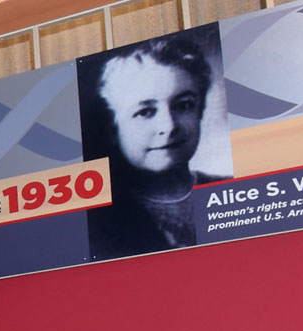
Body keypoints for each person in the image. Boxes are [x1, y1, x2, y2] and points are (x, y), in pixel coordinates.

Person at [82, 31, 229, 260]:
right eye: (145, 112)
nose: (168, 126)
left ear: (200, 110)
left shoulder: (231, 190)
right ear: (113, 127)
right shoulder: (95, 222)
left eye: (183, 105)